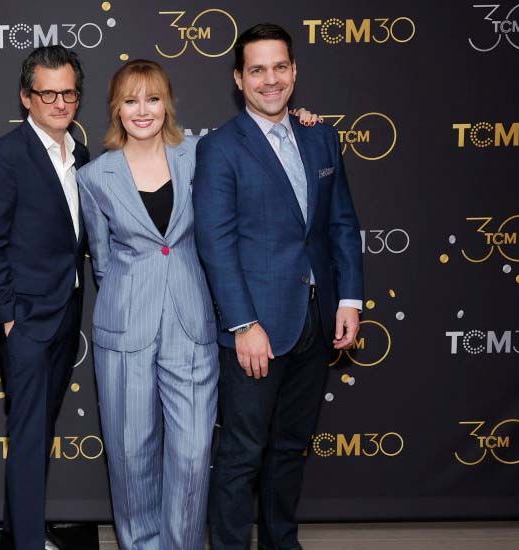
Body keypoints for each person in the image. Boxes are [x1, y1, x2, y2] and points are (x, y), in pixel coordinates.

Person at [193, 23, 364, 550]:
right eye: (258, 70)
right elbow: (216, 244)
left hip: (315, 321)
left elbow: (340, 223)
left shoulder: (321, 135)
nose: (271, 80)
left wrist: (350, 299)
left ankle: (281, 543)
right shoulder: (220, 148)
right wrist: (243, 325)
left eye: (280, 67)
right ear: (239, 79)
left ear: (294, 71)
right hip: (256, 329)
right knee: (243, 453)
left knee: (290, 449)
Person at [76, 59, 218, 550]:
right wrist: (128, 300)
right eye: (131, 99)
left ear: (167, 104)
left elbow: (256, 142)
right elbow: (101, 257)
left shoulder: (199, 155)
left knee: (194, 453)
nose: (143, 110)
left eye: (153, 98)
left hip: (191, 321)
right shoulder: (95, 177)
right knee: (130, 453)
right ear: (116, 107)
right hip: (125, 325)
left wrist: (298, 119)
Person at [0, 45, 90, 550]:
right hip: (25, 320)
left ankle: (23, 527)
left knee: (38, 433)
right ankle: (25, 543)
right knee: (27, 436)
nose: (60, 103)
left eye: (68, 93)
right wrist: (7, 319)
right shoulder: (4, 156)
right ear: (26, 97)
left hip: (67, 314)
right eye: (48, 93)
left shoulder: (81, 154)